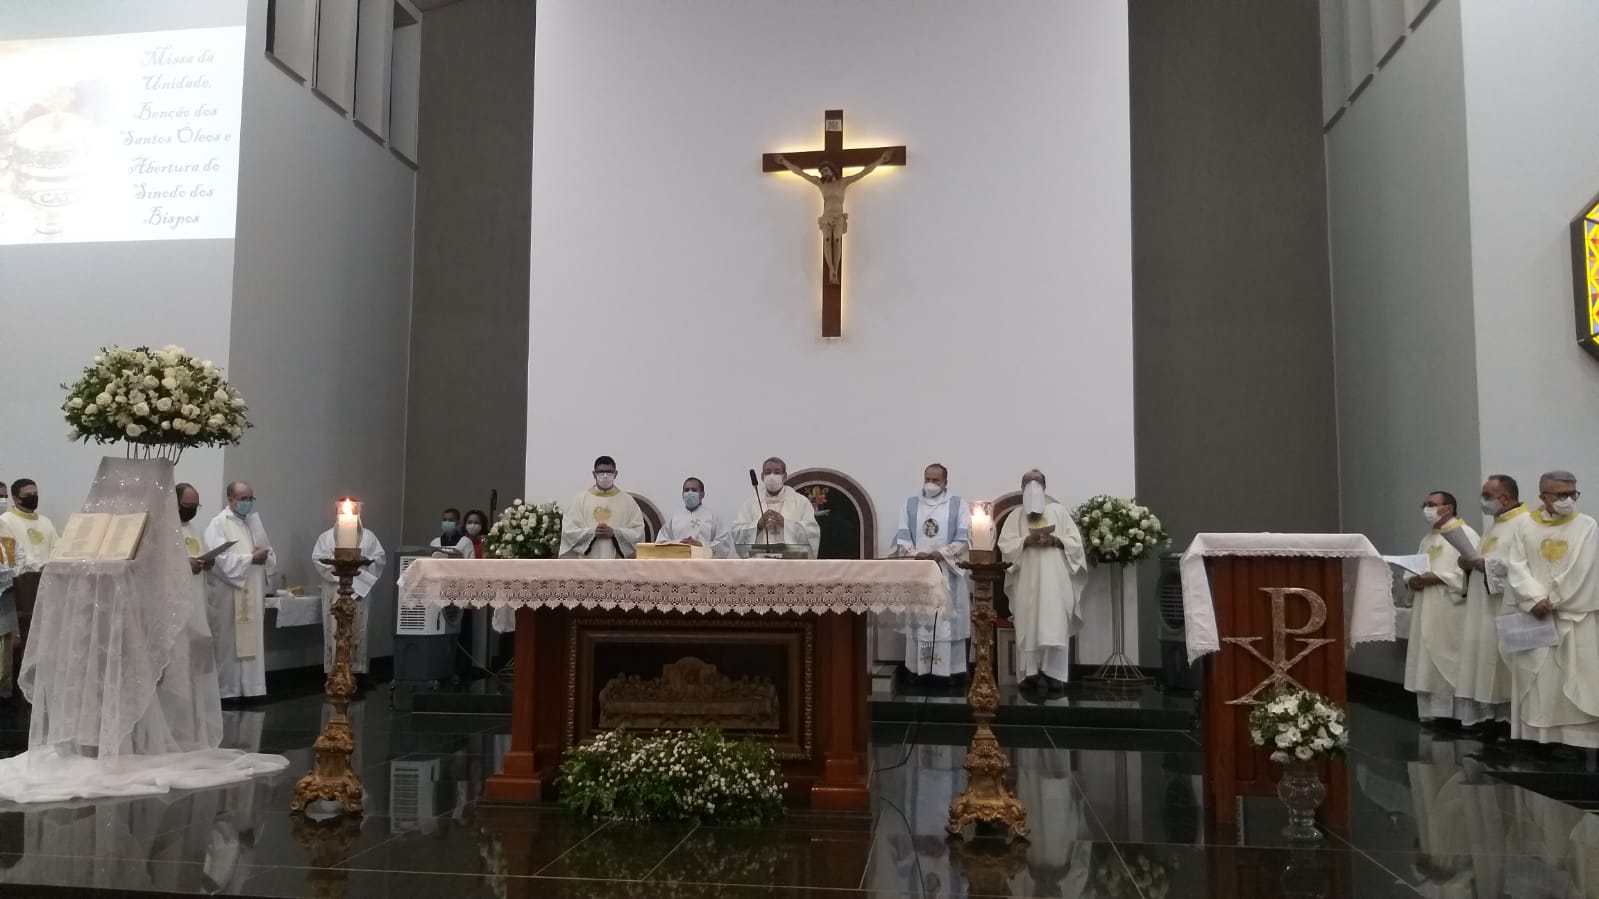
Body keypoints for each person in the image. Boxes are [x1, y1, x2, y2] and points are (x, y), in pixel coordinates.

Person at [1504, 470, 1599, 749]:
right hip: (1534, 615)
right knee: (1537, 678)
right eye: (1560, 494)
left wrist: (1553, 600)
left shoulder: (1587, 525)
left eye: (1572, 494)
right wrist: (1534, 598)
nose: (1568, 500)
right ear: (1543, 496)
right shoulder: (1524, 525)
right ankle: (1537, 739)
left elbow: (1584, 567)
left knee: (1576, 676)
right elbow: (1516, 565)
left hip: (1573, 615)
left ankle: (1577, 742)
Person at [997, 470, 1086, 693]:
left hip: (1055, 579)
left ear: (1045, 486)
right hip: (1026, 579)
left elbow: (1075, 543)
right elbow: (1005, 545)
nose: (1032, 485)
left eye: (1036, 481)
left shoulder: (1059, 511)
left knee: (1055, 622)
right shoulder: (1015, 515)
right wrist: (1026, 541)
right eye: (1027, 481)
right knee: (1028, 622)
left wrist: (1056, 540)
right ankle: (1031, 674)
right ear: (1021, 487)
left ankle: (1054, 674)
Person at [1455, 475, 1529, 732]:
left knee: (1508, 663)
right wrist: (1468, 563)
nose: (1482, 501)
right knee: (1487, 659)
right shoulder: (1495, 524)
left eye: (1487, 495)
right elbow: (1484, 558)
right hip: (1483, 603)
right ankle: (1493, 717)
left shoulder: (1525, 523)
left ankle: (1513, 721)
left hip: (1507, 606)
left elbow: (1524, 566)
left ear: (1505, 498)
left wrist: (1485, 565)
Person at [1402, 491, 1479, 726]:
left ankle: (1463, 716)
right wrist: (1411, 580)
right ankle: (1433, 713)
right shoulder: (1428, 538)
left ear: (1449, 508)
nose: (1427, 509)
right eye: (1425, 504)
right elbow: (1415, 566)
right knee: (1427, 660)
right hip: (1426, 606)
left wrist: (1437, 577)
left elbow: (1472, 573)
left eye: (1432, 504)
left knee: (1453, 661)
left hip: (1451, 609)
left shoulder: (1465, 534)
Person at [893, 463, 970, 683]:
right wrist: (916, 554)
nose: (931, 483)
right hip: (919, 571)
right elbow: (902, 537)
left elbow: (964, 537)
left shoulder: (958, 504)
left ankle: (948, 672)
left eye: (936, 480)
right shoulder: (910, 504)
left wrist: (941, 554)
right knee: (920, 619)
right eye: (927, 479)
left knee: (946, 622)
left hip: (947, 572)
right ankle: (918, 670)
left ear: (945, 482)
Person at [203, 482, 276, 701]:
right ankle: (228, 690)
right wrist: (250, 558)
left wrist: (265, 556)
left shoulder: (253, 524)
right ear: (231, 499)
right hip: (229, 594)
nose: (248, 503)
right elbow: (217, 558)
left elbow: (269, 555)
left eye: (250, 499)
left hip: (253, 589)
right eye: (243, 498)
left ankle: (252, 689)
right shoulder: (219, 523)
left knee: (252, 639)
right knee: (229, 642)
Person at [311, 521, 387, 678]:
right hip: (335, 590)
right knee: (336, 629)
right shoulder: (326, 537)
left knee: (359, 629)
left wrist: (362, 567)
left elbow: (379, 559)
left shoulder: (369, 537)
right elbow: (318, 559)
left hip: (360, 592)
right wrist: (340, 569)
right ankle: (335, 672)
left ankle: (358, 673)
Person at [0, 479, 57, 672]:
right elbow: (15, 557)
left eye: (35, 494)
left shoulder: (46, 522)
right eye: (28, 495)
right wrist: (35, 566)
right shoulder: (6, 521)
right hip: (21, 586)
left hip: (47, 582)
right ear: (16, 498)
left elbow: (56, 547)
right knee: (21, 638)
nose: (33, 498)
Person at [732, 457, 821, 558]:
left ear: (785, 476)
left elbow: (813, 532)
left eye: (777, 472)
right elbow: (737, 533)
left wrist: (786, 524)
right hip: (759, 563)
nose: (772, 476)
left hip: (791, 562)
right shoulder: (750, 504)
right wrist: (758, 525)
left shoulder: (801, 502)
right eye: (768, 472)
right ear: (762, 476)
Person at [559, 456, 645, 559]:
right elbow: (569, 531)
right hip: (587, 562)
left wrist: (615, 533)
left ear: (615, 474)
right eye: (600, 472)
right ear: (594, 474)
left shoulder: (628, 501)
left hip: (618, 561)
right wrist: (592, 533)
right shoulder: (580, 500)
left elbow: (638, 532)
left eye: (609, 472)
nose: (605, 475)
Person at [655, 478, 734, 558]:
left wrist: (701, 545)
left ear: (702, 494)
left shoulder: (713, 517)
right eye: (687, 490)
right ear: (682, 494)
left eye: (694, 490)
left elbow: (723, 543)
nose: (690, 493)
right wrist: (679, 543)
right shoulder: (674, 517)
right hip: (679, 562)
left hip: (704, 563)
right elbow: (661, 542)